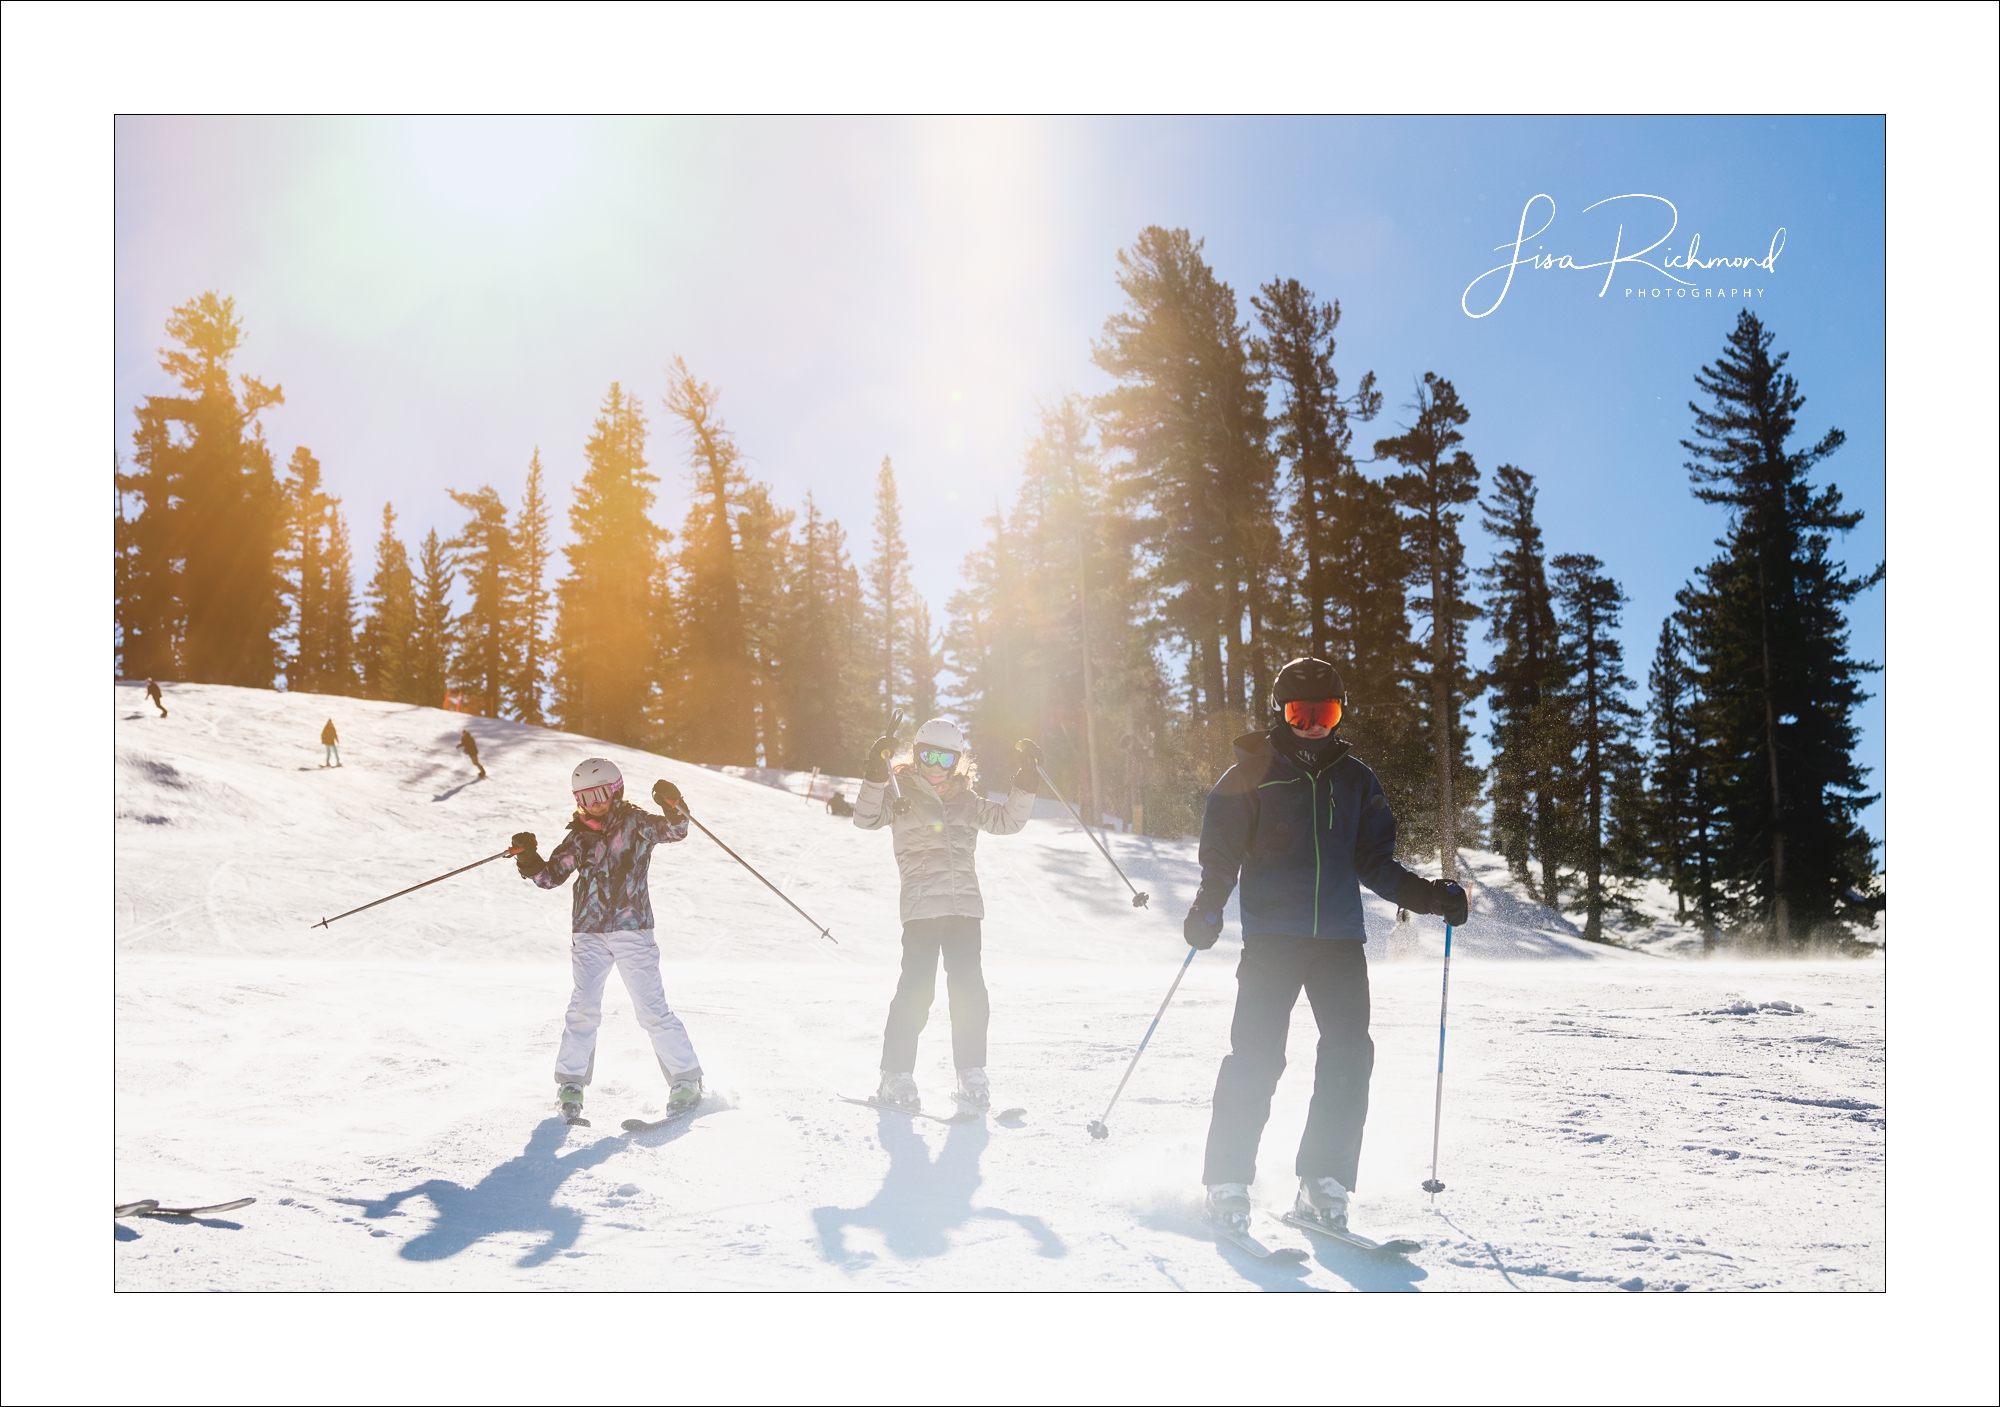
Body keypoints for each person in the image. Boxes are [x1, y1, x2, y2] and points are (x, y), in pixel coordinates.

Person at [1185, 656, 1470, 1241]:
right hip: (1271, 939)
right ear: (1280, 712)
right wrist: (1207, 905)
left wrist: (1431, 897)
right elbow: (1221, 855)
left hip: (1339, 940)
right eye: (1300, 712)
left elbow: (1375, 863)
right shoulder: (1248, 774)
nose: (1313, 724)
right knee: (1257, 1056)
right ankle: (1227, 1181)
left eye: (1326, 712)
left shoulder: (1357, 779)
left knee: (1348, 1054)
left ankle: (1323, 1179)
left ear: (1341, 714)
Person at [853, 718, 1039, 1112]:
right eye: (927, 755)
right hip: (921, 911)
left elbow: (1009, 821)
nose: (935, 765)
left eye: (944, 758)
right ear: (915, 755)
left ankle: (970, 1071)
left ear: (956, 761)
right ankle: (896, 1075)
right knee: (916, 991)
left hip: (964, 910)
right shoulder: (899, 794)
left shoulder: (967, 801)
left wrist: (1026, 781)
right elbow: (865, 818)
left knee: (970, 992)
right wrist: (874, 774)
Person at [511, 758, 703, 1125]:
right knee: (582, 1008)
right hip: (588, 931)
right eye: (585, 796)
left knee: (651, 1009)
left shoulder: (635, 823)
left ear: (616, 790)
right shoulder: (578, 836)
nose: (593, 802)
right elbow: (550, 878)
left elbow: (676, 831)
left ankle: (686, 1080)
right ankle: (571, 1085)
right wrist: (530, 859)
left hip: (632, 927)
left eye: (600, 793)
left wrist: (674, 804)